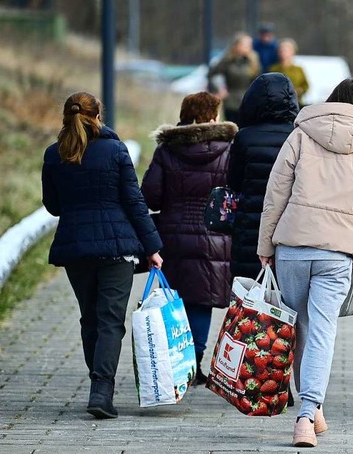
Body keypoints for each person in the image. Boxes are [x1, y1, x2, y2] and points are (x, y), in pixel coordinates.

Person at [257, 78, 353, 447]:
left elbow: (276, 193)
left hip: (294, 247)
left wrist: (265, 244)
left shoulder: (301, 134)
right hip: (336, 252)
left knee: (299, 327)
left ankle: (310, 410)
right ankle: (307, 413)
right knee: (321, 330)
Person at [42, 92, 163, 419]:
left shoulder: (55, 154)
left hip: (76, 249)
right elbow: (134, 202)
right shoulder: (115, 150)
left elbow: (53, 205)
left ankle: (98, 383)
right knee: (110, 320)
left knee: (90, 318)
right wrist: (153, 247)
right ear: (98, 116)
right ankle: (101, 390)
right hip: (117, 249)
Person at [140, 92, 237, 384]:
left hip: (173, 234)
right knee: (202, 301)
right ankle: (194, 363)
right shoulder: (229, 149)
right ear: (211, 116)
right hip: (214, 238)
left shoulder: (167, 150)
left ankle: (175, 361)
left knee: (176, 300)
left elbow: (150, 195)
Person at [228, 73, 299, 281]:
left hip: (251, 230)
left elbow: (232, 182)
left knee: (251, 302)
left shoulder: (244, 137)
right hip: (289, 227)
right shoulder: (298, 135)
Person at [208, 32, 260, 124]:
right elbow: (212, 75)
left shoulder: (253, 61)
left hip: (248, 101)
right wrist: (219, 89)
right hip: (231, 101)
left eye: (250, 44)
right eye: (246, 44)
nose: (249, 47)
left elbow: (257, 80)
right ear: (237, 45)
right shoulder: (227, 60)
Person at [269, 38, 310, 105]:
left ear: (292, 52)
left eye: (285, 51)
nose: (283, 53)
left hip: (296, 103)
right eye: (281, 50)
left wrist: (298, 91)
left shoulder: (298, 69)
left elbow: (306, 86)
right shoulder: (273, 69)